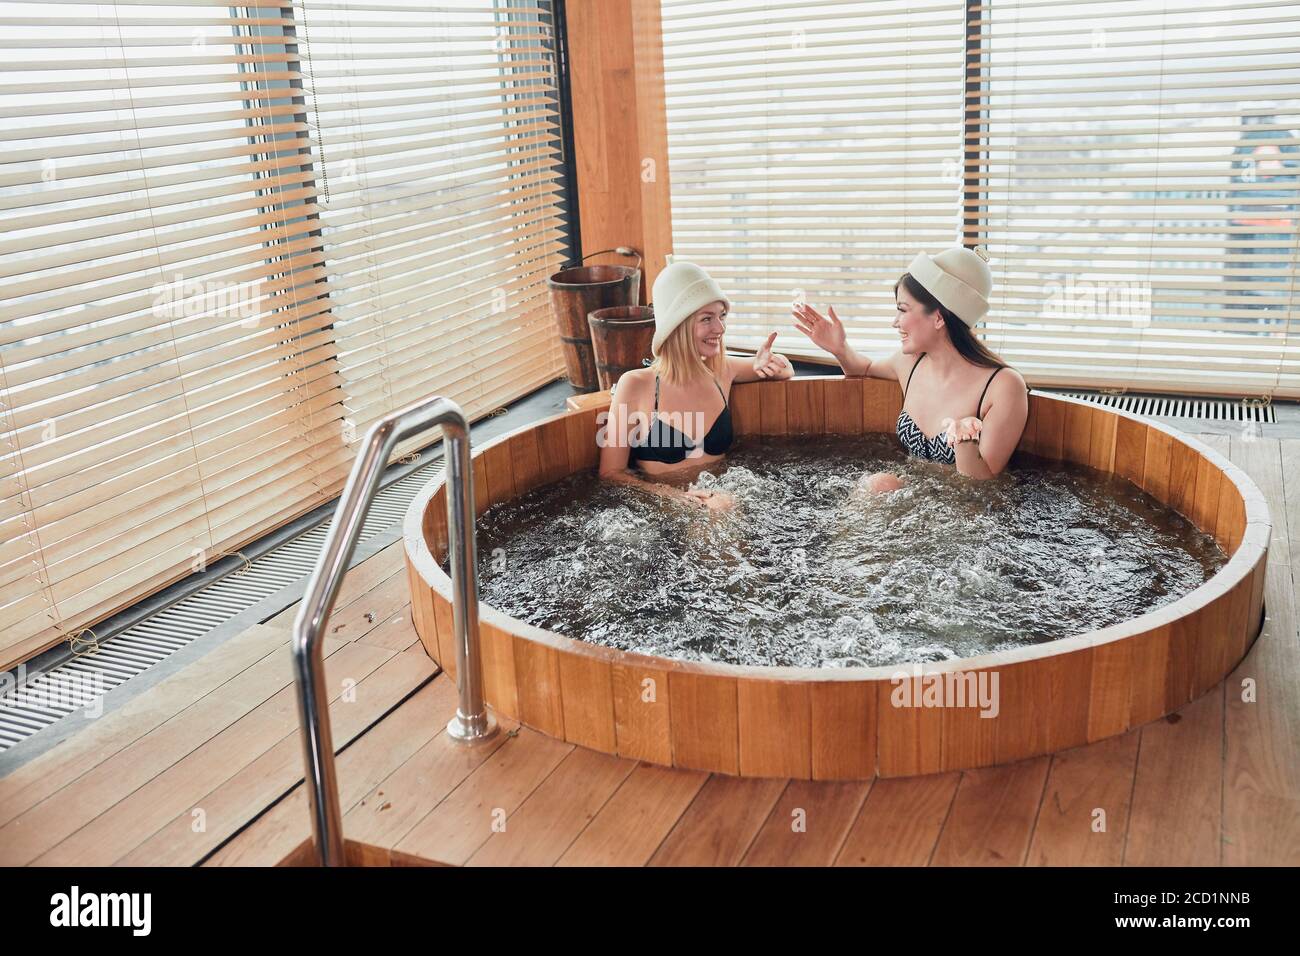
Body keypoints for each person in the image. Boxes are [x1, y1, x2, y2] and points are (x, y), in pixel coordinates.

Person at [793, 246, 1028, 484]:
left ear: (938, 318)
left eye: (902, 310)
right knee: (881, 483)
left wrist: (964, 443)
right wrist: (839, 348)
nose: (895, 322)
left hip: (964, 510)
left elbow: (984, 487)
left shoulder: (1003, 385)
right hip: (912, 499)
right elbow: (863, 369)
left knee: (880, 483)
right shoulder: (911, 363)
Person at [598, 259, 794, 508]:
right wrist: (674, 497)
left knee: (722, 508)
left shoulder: (722, 370)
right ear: (677, 324)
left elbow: (786, 370)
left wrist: (766, 363)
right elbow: (610, 474)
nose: (720, 328)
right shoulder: (636, 385)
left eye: (721, 316)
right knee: (717, 511)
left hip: (724, 500)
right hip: (664, 508)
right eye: (707, 319)